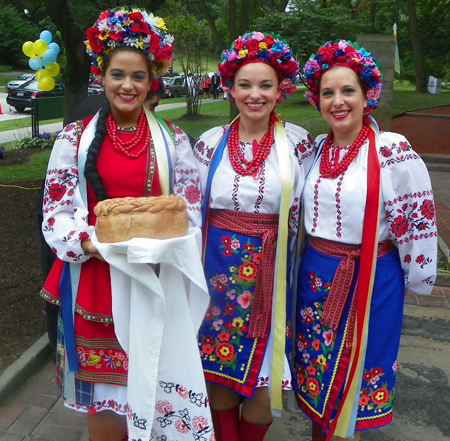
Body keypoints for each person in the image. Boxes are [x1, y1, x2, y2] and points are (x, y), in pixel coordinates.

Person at [40, 8, 212, 441]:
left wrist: (158, 244)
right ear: (101, 76)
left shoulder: (173, 141)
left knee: (156, 391)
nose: (128, 86)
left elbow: (189, 212)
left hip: (156, 280)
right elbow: (56, 210)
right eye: (118, 74)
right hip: (96, 279)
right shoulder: (73, 140)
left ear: (152, 80)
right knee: (107, 411)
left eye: (138, 76)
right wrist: (93, 243)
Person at [295, 40, 437, 441]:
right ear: (316, 99)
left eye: (347, 91)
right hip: (316, 277)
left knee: (354, 383)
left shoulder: (392, 151)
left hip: (371, 277)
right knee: (320, 378)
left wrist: (413, 278)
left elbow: (417, 220)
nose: (337, 101)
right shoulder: (316, 149)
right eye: (327, 92)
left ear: (366, 95)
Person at [193, 31, 315, 441]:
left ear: (281, 89)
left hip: (271, 275)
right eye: (245, 84)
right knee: (218, 375)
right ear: (229, 87)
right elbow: (191, 209)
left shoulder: (300, 145)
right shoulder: (210, 144)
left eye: (266, 85)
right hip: (216, 276)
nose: (255, 95)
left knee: (266, 385)